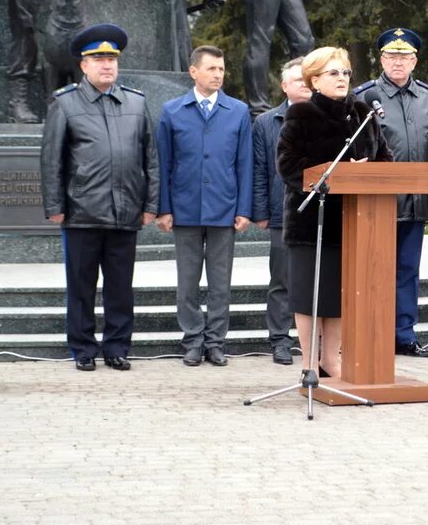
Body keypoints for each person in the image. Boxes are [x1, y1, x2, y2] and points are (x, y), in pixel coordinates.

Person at [40, 24, 158, 372]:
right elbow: (51, 160)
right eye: (98, 59)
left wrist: (150, 204)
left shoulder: (136, 103)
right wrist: (55, 206)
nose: (106, 65)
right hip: (81, 213)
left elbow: (151, 157)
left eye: (111, 59)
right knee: (81, 287)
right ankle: (83, 348)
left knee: (121, 288)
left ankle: (117, 347)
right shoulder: (64, 104)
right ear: (84, 65)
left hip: (126, 213)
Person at [276, 47, 392, 376]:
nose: (342, 79)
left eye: (345, 73)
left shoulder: (363, 113)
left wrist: (366, 172)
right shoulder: (301, 115)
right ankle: (310, 363)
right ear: (314, 80)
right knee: (310, 295)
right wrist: (334, 173)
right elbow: (288, 166)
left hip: (356, 223)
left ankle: (332, 359)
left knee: (338, 295)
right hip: (311, 221)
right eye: (333, 73)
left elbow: (386, 160)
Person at [354, 28, 428, 357]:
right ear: (381, 59)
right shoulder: (365, 96)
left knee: (408, 271)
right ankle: (371, 334)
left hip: (416, 202)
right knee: (373, 271)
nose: (398, 62)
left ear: (415, 61)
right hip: (376, 203)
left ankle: (404, 335)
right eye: (392, 56)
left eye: (405, 57)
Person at [156, 46, 252, 367]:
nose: (218, 75)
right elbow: (164, 163)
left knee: (220, 282)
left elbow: (245, 164)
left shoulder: (237, 111)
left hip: (224, 209)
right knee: (188, 282)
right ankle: (192, 341)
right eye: (211, 69)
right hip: (185, 209)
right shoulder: (172, 111)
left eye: (222, 69)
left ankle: (215, 342)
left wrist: (244, 207)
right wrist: (164, 208)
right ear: (193, 71)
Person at [252, 58, 310, 365]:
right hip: (282, 213)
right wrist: (261, 211)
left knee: (319, 278)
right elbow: (260, 170)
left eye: (307, 78)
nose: (303, 83)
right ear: (284, 85)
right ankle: (279, 339)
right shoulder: (266, 122)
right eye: (297, 79)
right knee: (282, 280)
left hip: (322, 213)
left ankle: (317, 341)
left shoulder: (330, 118)